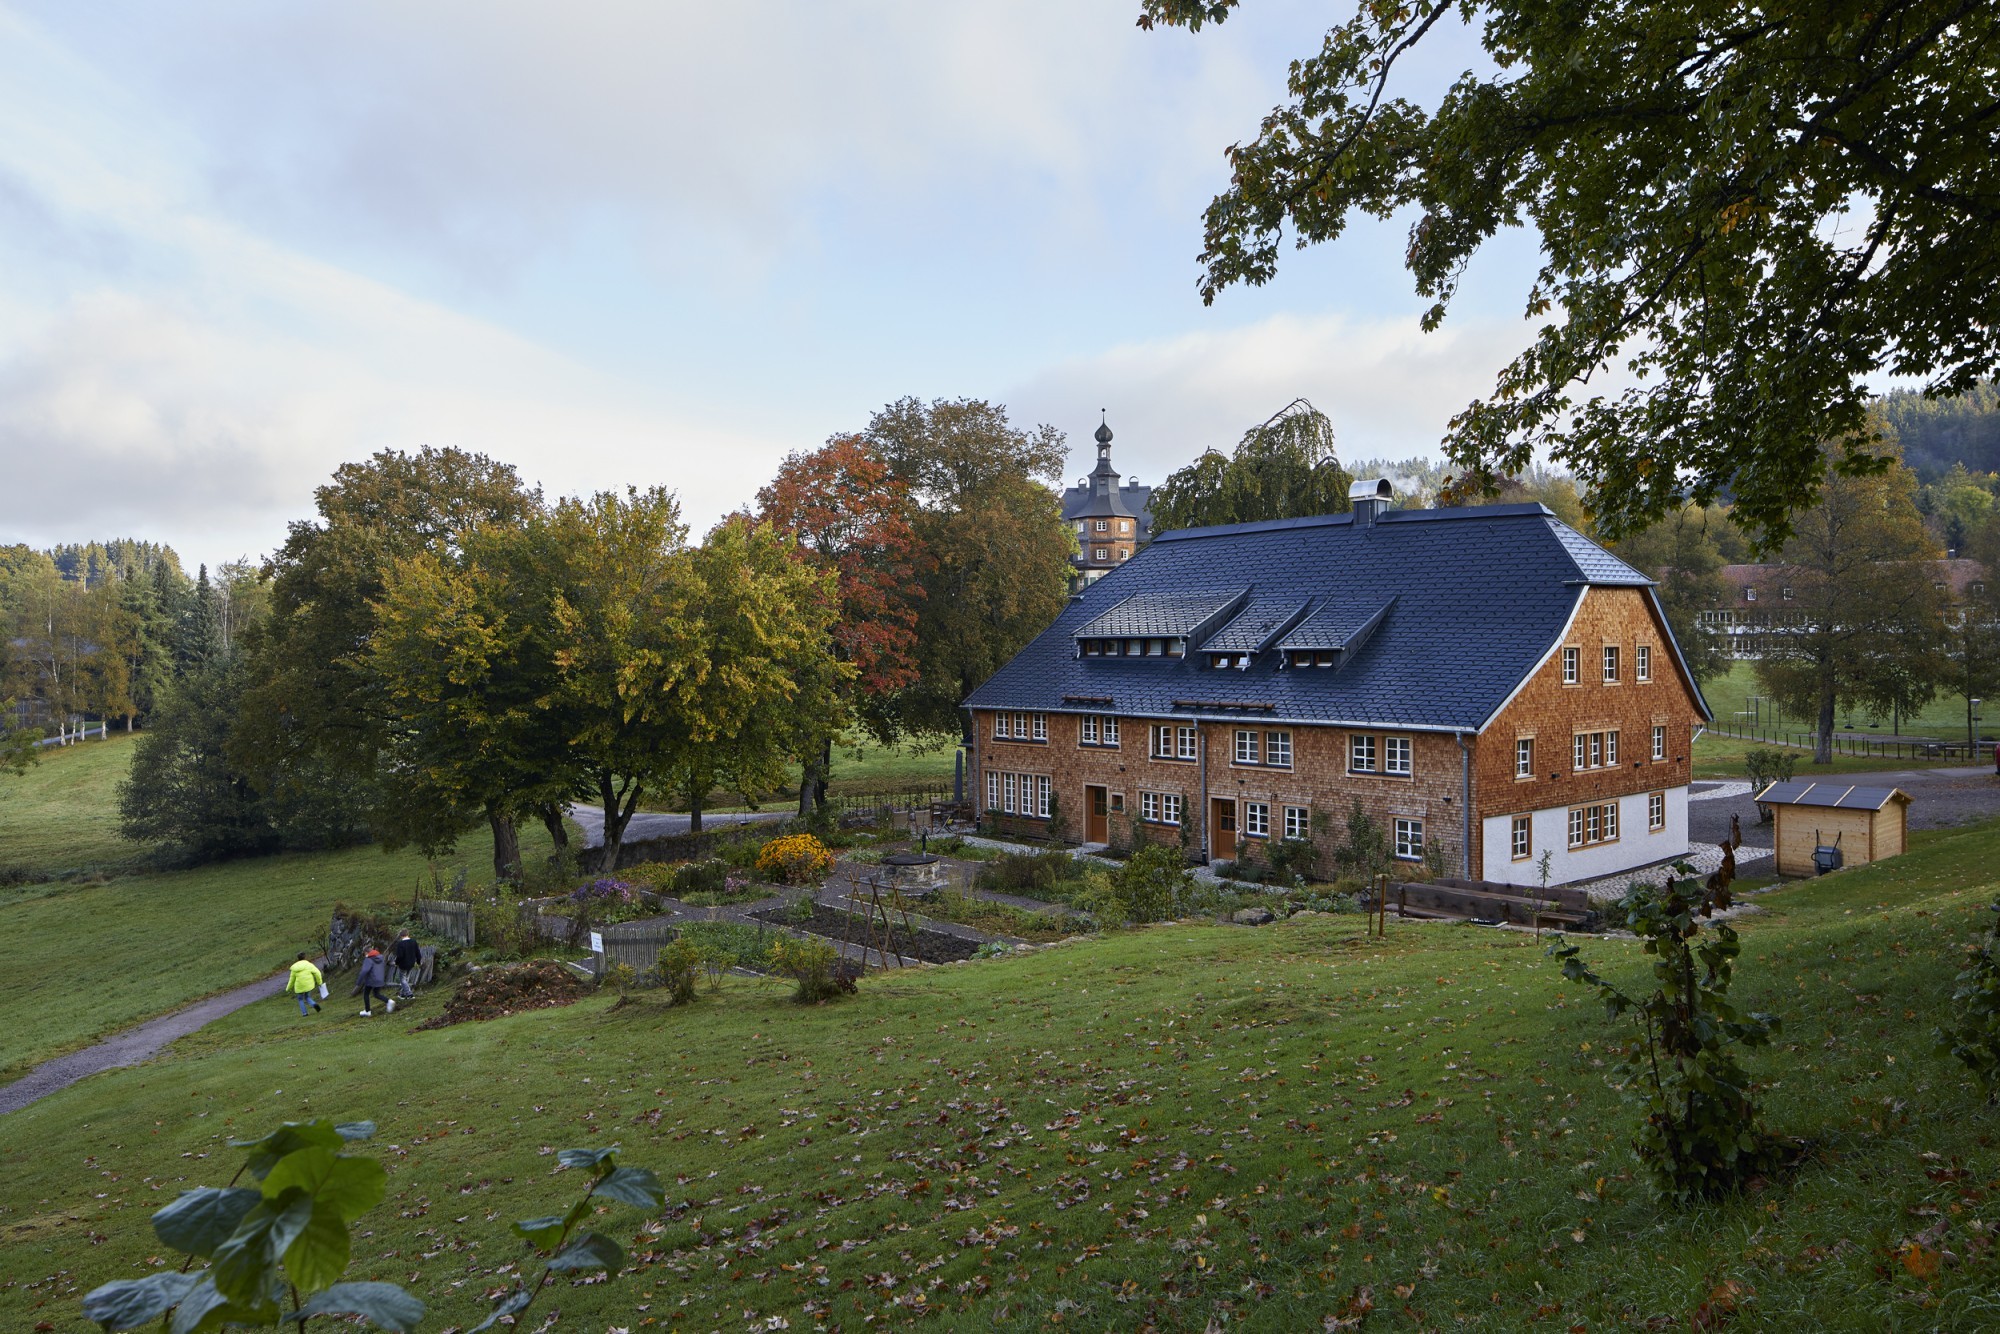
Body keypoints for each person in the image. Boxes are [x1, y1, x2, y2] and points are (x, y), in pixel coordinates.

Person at [390, 931, 422, 1007]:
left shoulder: (401, 944)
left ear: (401, 936)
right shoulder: (413, 942)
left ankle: (409, 994)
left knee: (403, 979)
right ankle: (402, 995)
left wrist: (397, 962)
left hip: (403, 964)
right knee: (406, 978)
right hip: (411, 963)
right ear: (408, 934)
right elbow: (418, 953)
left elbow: (400, 956)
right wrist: (418, 961)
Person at [357, 948, 389, 1016]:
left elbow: (364, 971)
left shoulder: (368, 959)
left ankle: (367, 1011)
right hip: (380, 979)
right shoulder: (380, 957)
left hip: (371, 980)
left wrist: (359, 982)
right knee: (376, 994)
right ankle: (389, 1001)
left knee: (366, 994)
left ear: (366, 952)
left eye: (364, 954)